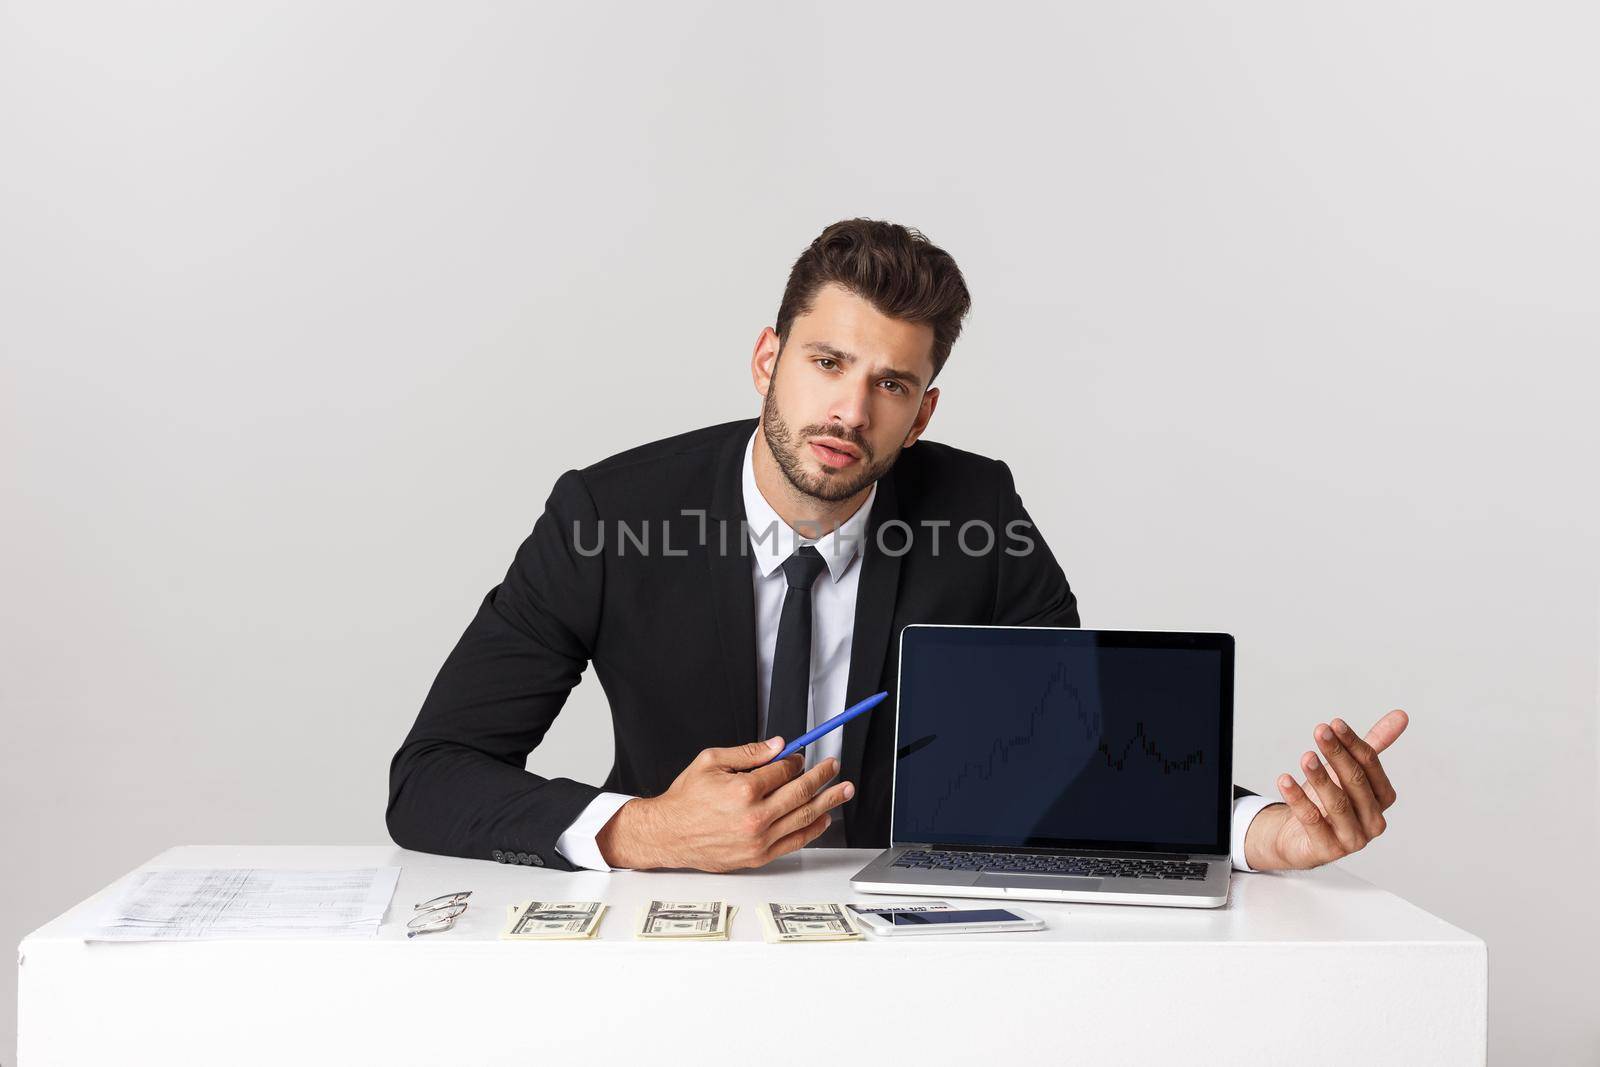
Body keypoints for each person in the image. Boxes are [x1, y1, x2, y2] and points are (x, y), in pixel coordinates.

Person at [386, 218, 1408, 875]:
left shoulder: (980, 509)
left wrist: (1262, 832)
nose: (848, 407)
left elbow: (1091, 753)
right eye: (827, 361)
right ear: (765, 359)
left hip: (910, 949)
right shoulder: (606, 513)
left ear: (921, 413)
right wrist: (643, 827)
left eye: (892, 383)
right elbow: (431, 774)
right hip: (677, 942)